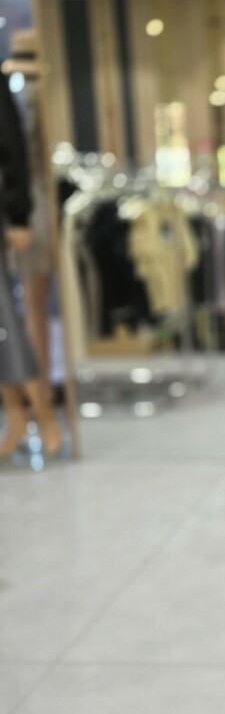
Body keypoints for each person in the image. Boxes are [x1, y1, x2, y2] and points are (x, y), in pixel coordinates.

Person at [0, 65, 63, 459]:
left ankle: (42, 414)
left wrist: (19, 214)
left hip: (12, 213)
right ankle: (16, 415)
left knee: (9, 321)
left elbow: (13, 148)